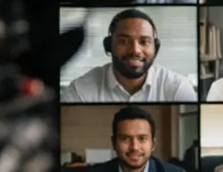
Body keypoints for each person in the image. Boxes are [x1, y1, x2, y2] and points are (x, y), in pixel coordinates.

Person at [62, 9, 197, 103]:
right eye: (124, 41)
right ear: (109, 45)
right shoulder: (79, 91)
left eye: (144, 42)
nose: (135, 50)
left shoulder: (178, 88)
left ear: (156, 47)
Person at [71, 105, 196, 172]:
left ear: (153, 144)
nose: (134, 147)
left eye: (142, 138)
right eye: (125, 138)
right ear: (114, 142)